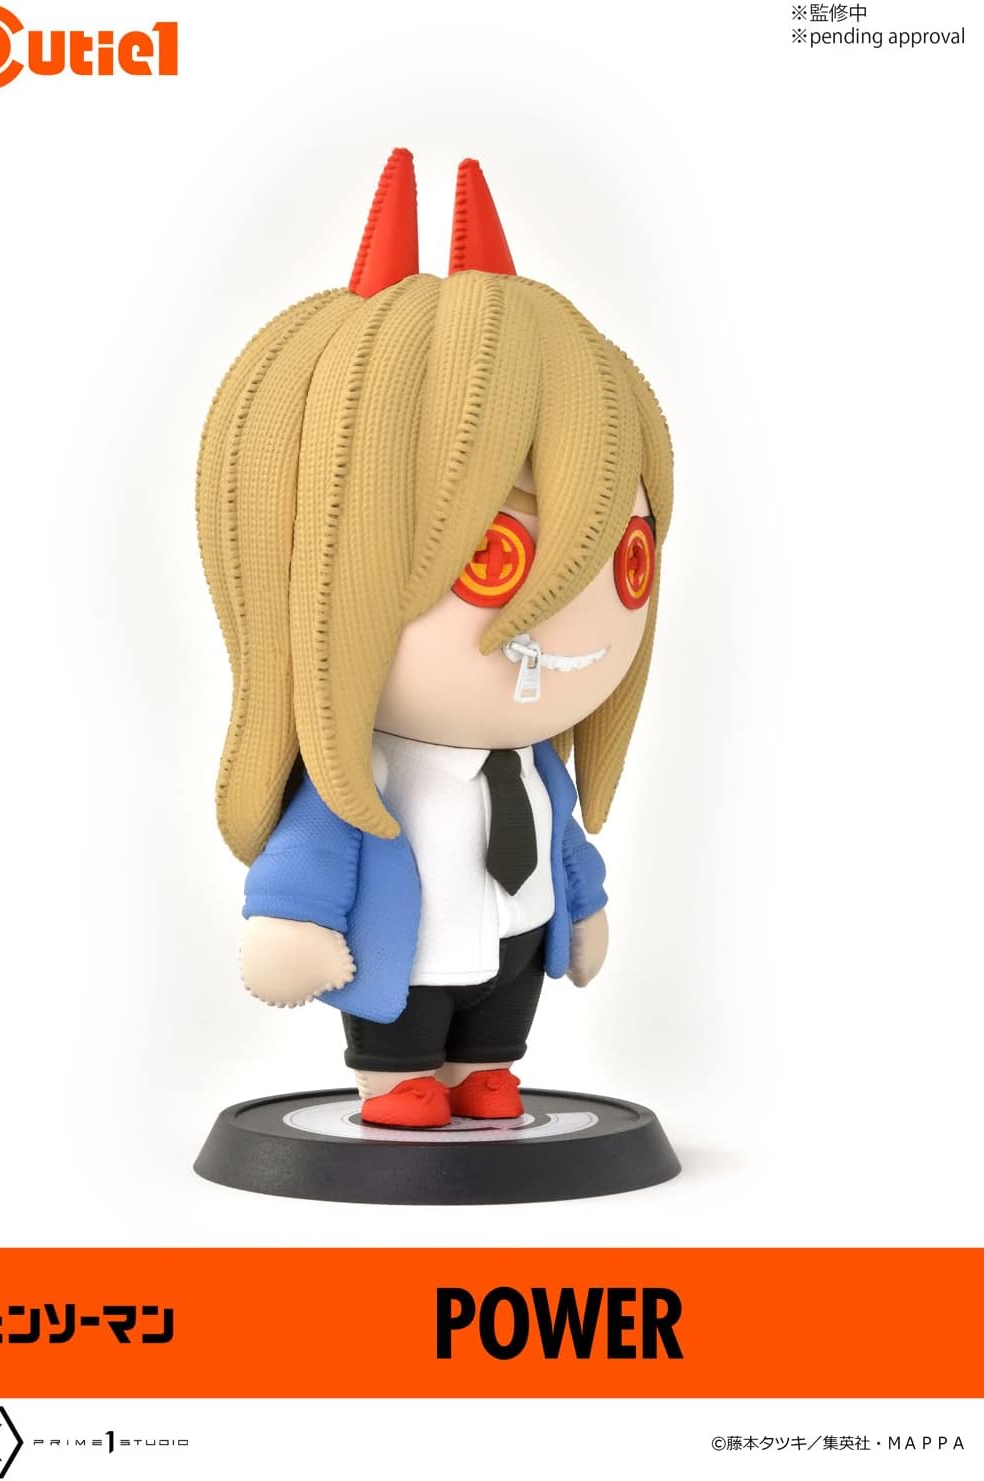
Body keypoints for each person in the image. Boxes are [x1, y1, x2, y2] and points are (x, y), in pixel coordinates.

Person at [197, 149, 673, 1128]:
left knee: (500, 1016)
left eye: (623, 559)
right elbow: (315, 846)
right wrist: (290, 920)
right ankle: (401, 1077)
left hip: (513, 948)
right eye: (494, 557)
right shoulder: (369, 773)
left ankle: (486, 1066)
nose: (575, 621)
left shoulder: (534, 765)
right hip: (405, 963)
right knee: (405, 1021)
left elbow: (561, 840)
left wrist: (584, 907)